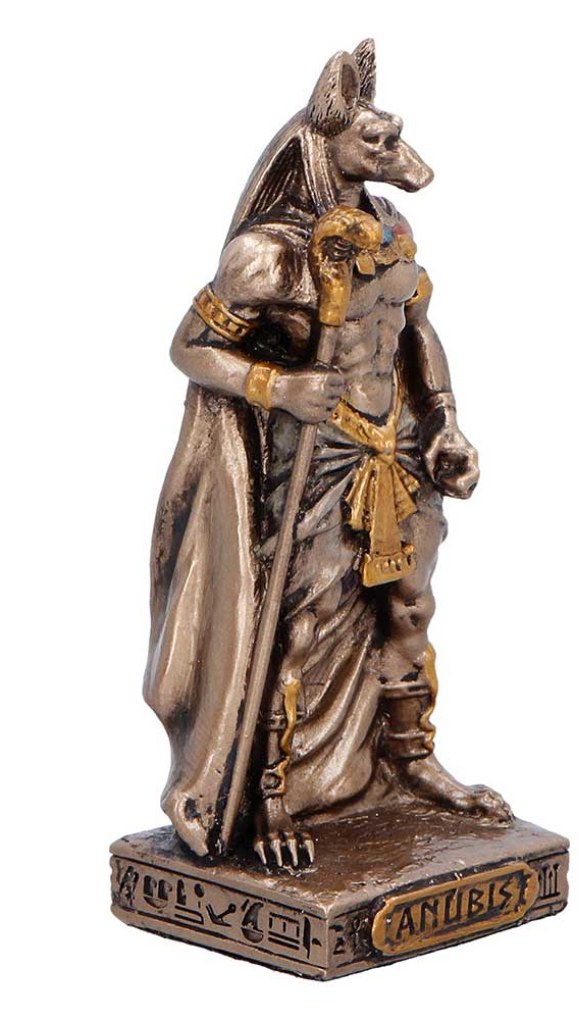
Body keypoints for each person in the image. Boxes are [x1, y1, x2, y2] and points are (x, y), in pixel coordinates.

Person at [143, 40, 512, 867]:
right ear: (326, 141)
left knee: (408, 606)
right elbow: (189, 347)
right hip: (318, 452)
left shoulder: (390, 227)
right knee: (299, 628)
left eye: (390, 137)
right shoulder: (265, 255)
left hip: (398, 441)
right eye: (375, 141)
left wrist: (445, 420)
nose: (393, 154)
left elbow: (415, 330)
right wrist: (277, 387)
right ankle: (272, 795)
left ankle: (410, 759)